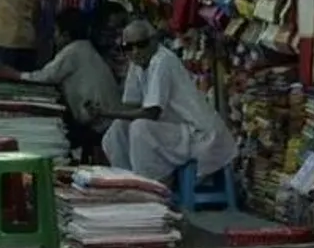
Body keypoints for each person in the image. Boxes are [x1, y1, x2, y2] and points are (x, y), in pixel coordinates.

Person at [96, 20, 236, 182]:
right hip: (174, 128)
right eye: (128, 47)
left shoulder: (162, 61)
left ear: (153, 41)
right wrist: (105, 111)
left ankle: (151, 186)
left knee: (140, 128)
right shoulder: (138, 63)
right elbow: (131, 104)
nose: (135, 52)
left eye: (141, 45)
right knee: (117, 129)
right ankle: (127, 182)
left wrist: (108, 113)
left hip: (199, 134)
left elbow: (152, 112)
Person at [0, 8, 119, 153]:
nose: (54, 36)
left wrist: (14, 74)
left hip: (100, 124)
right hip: (104, 120)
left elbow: (45, 77)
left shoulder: (74, 51)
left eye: (56, 31)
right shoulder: (85, 48)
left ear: (65, 35)